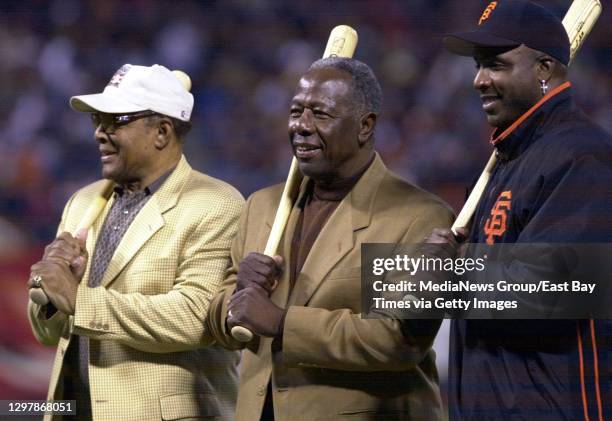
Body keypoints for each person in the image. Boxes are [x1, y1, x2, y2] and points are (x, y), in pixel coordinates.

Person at [205, 57, 454, 420]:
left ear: (365, 126)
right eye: (295, 112)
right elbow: (223, 317)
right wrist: (236, 297)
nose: (301, 127)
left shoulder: (417, 216)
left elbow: (397, 340)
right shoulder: (262, 206)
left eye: (321, 115)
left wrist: (280, 323)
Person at [427, 1, 612, 419]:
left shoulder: (581, 155)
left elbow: (552, 294)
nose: (478, 80)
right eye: (478, 65)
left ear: (544, 69)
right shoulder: (513, 157)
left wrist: (448, 272)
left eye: (495, 65)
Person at [27, 64, 244, 420]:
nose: (99, 132)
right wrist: (48, 293)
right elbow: (48, 334)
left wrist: (77, 298)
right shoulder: (81, 202)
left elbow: (194, 318)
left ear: (161, 132)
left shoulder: (217, 204)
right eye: (98, 119)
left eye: (117, 120)